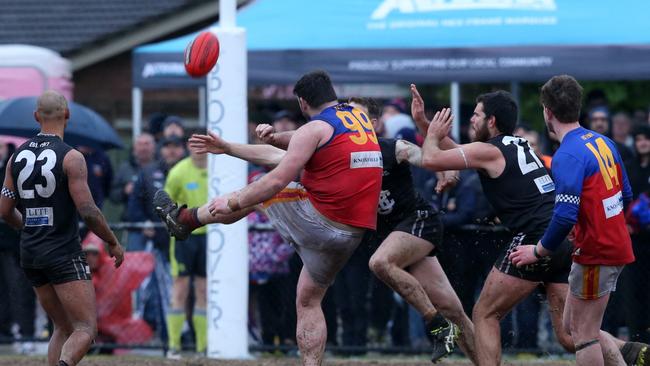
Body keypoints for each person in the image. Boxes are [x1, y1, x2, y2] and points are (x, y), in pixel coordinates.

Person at [154, 70, 383, 366]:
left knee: (259, 189)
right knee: (308, 300)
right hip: (352, 234)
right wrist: (235, 147)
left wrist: (234, 199)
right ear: (332, 93)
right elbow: (289, 149)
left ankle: (188, 220)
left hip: (321, 221)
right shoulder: (355, 117)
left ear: (302, 102)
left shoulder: (313, 130)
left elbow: (276, 178)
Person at [412, 83, 646, 366]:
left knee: (485, 313)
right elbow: (461, 152)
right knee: (572, 333)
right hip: (562, 239)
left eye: (476, 114)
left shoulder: (495, 151)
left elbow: (430, 158)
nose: (471, 119)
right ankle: (633, 352)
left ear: (492, 121)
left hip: (538, 237)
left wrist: (433, 133)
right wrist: (425, 124)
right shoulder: (516, 144)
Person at [509, 75, 637, 365]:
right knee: (571, 326)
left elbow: (565, 215)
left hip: (597, 251)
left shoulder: (567, 154)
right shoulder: (603, 141)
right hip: (607, 246)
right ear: (578, 108)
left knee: (583, 335)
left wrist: (538, 250)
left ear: (547, 112)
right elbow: (625, 194)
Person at [0, 90, 124, 366]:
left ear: (36, 117)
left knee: (62, 327)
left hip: (30, 253)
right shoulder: (72, 158)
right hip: (63, 253)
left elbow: (4, 211)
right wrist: (112, 240)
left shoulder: (15, 158)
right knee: (85, 329)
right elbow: (89, 211)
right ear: (67, 115)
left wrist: (29, 228)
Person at [163, 137, 209, 358]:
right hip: (185, 238)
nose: (198, 150)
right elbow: (164, 205)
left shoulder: (219, 170)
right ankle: (174, 346)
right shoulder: (179, 172)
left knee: (204, 291)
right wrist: (175, 224)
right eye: (194, 145)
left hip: (210, 238)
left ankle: (202, 348)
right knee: (180, 289)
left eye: (202, 145)